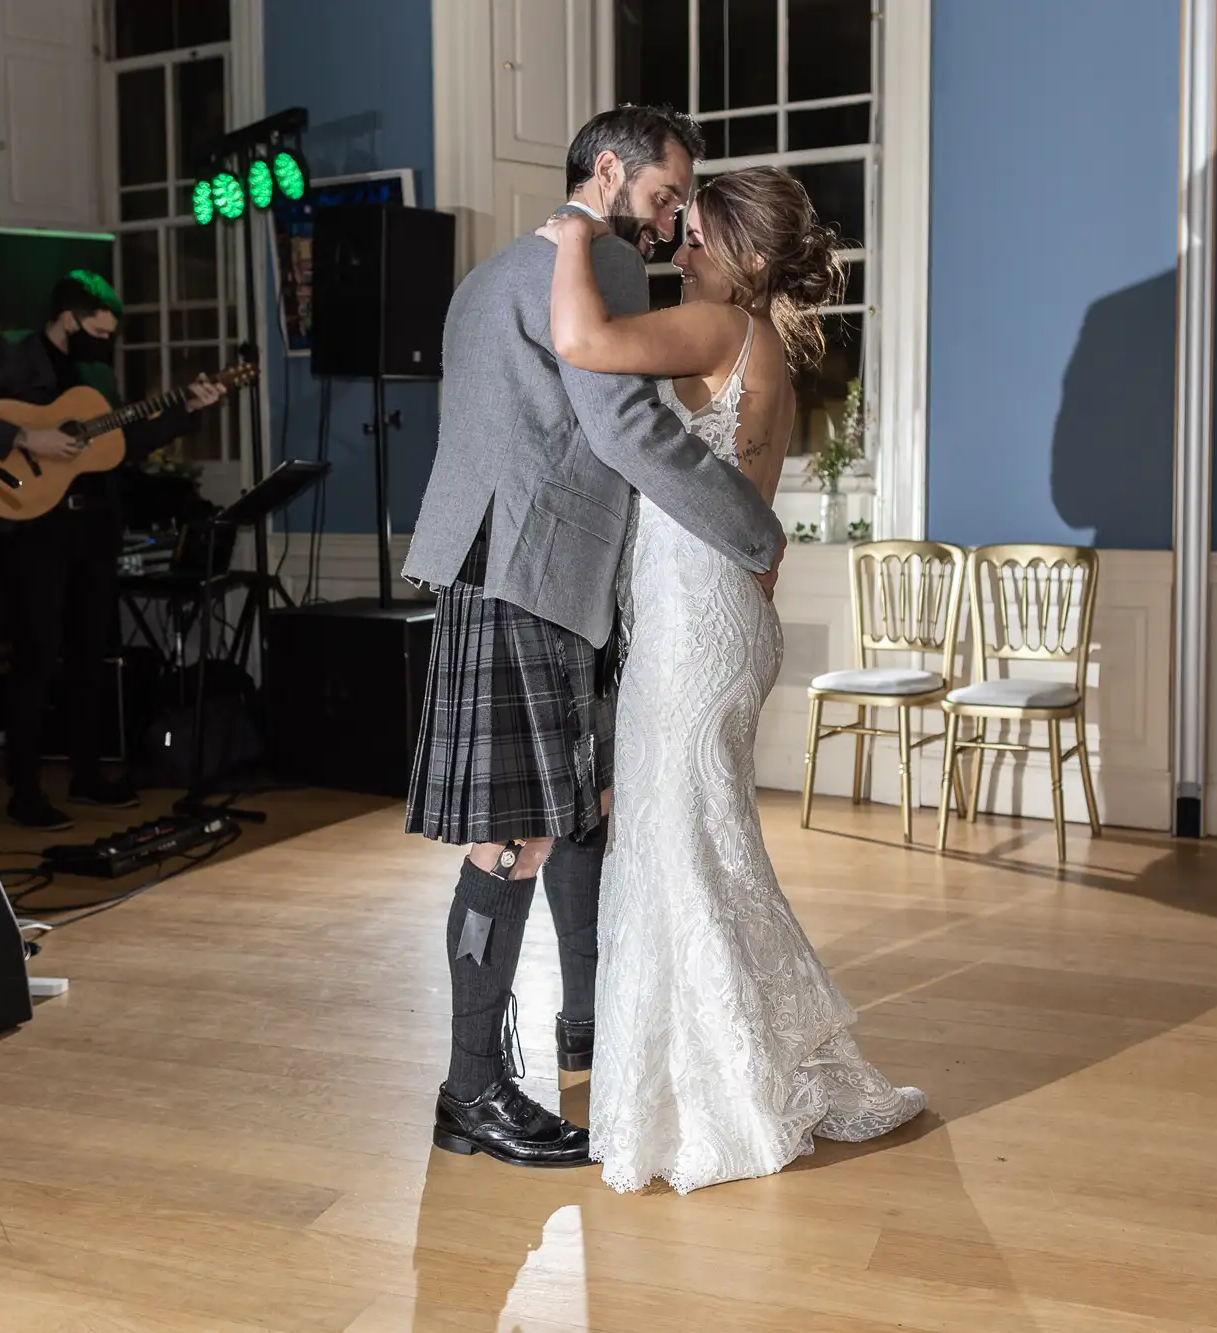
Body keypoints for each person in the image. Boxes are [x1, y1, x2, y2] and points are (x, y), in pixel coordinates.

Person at [400, 106, 787, 1169]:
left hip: (486, 559)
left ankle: (580, 1025)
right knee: (517, 833)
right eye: (663, 197)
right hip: (536, 569)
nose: (667, 224)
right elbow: (623, 429)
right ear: (607, 175)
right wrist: (749, 526)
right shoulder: (601, 261)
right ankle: (471, 1090)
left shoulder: (486, 273)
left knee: (575, 808)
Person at [536, 168, 926, 1193]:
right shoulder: (760, 346)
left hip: (696, 626)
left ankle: (723, 1097)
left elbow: (581, 343)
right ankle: (724, 1068)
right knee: (696, 848)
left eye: (696, 236)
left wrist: (574, 228)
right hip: (715, 617)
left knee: (679, 853)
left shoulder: (715, 327)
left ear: (745, 258)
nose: (679, 248)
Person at [0, 271, 226, 830]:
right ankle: (25, 791)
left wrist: (188, 410)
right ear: (67, 319)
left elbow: (120, 445)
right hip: (35, 530)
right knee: (35, 659)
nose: (105, 342)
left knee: (90, 657)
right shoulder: (13, 356)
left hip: (92, 530)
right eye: (97, 331)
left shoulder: (95, 373)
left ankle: (87, 777)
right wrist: (23, 438)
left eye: (109, 334)